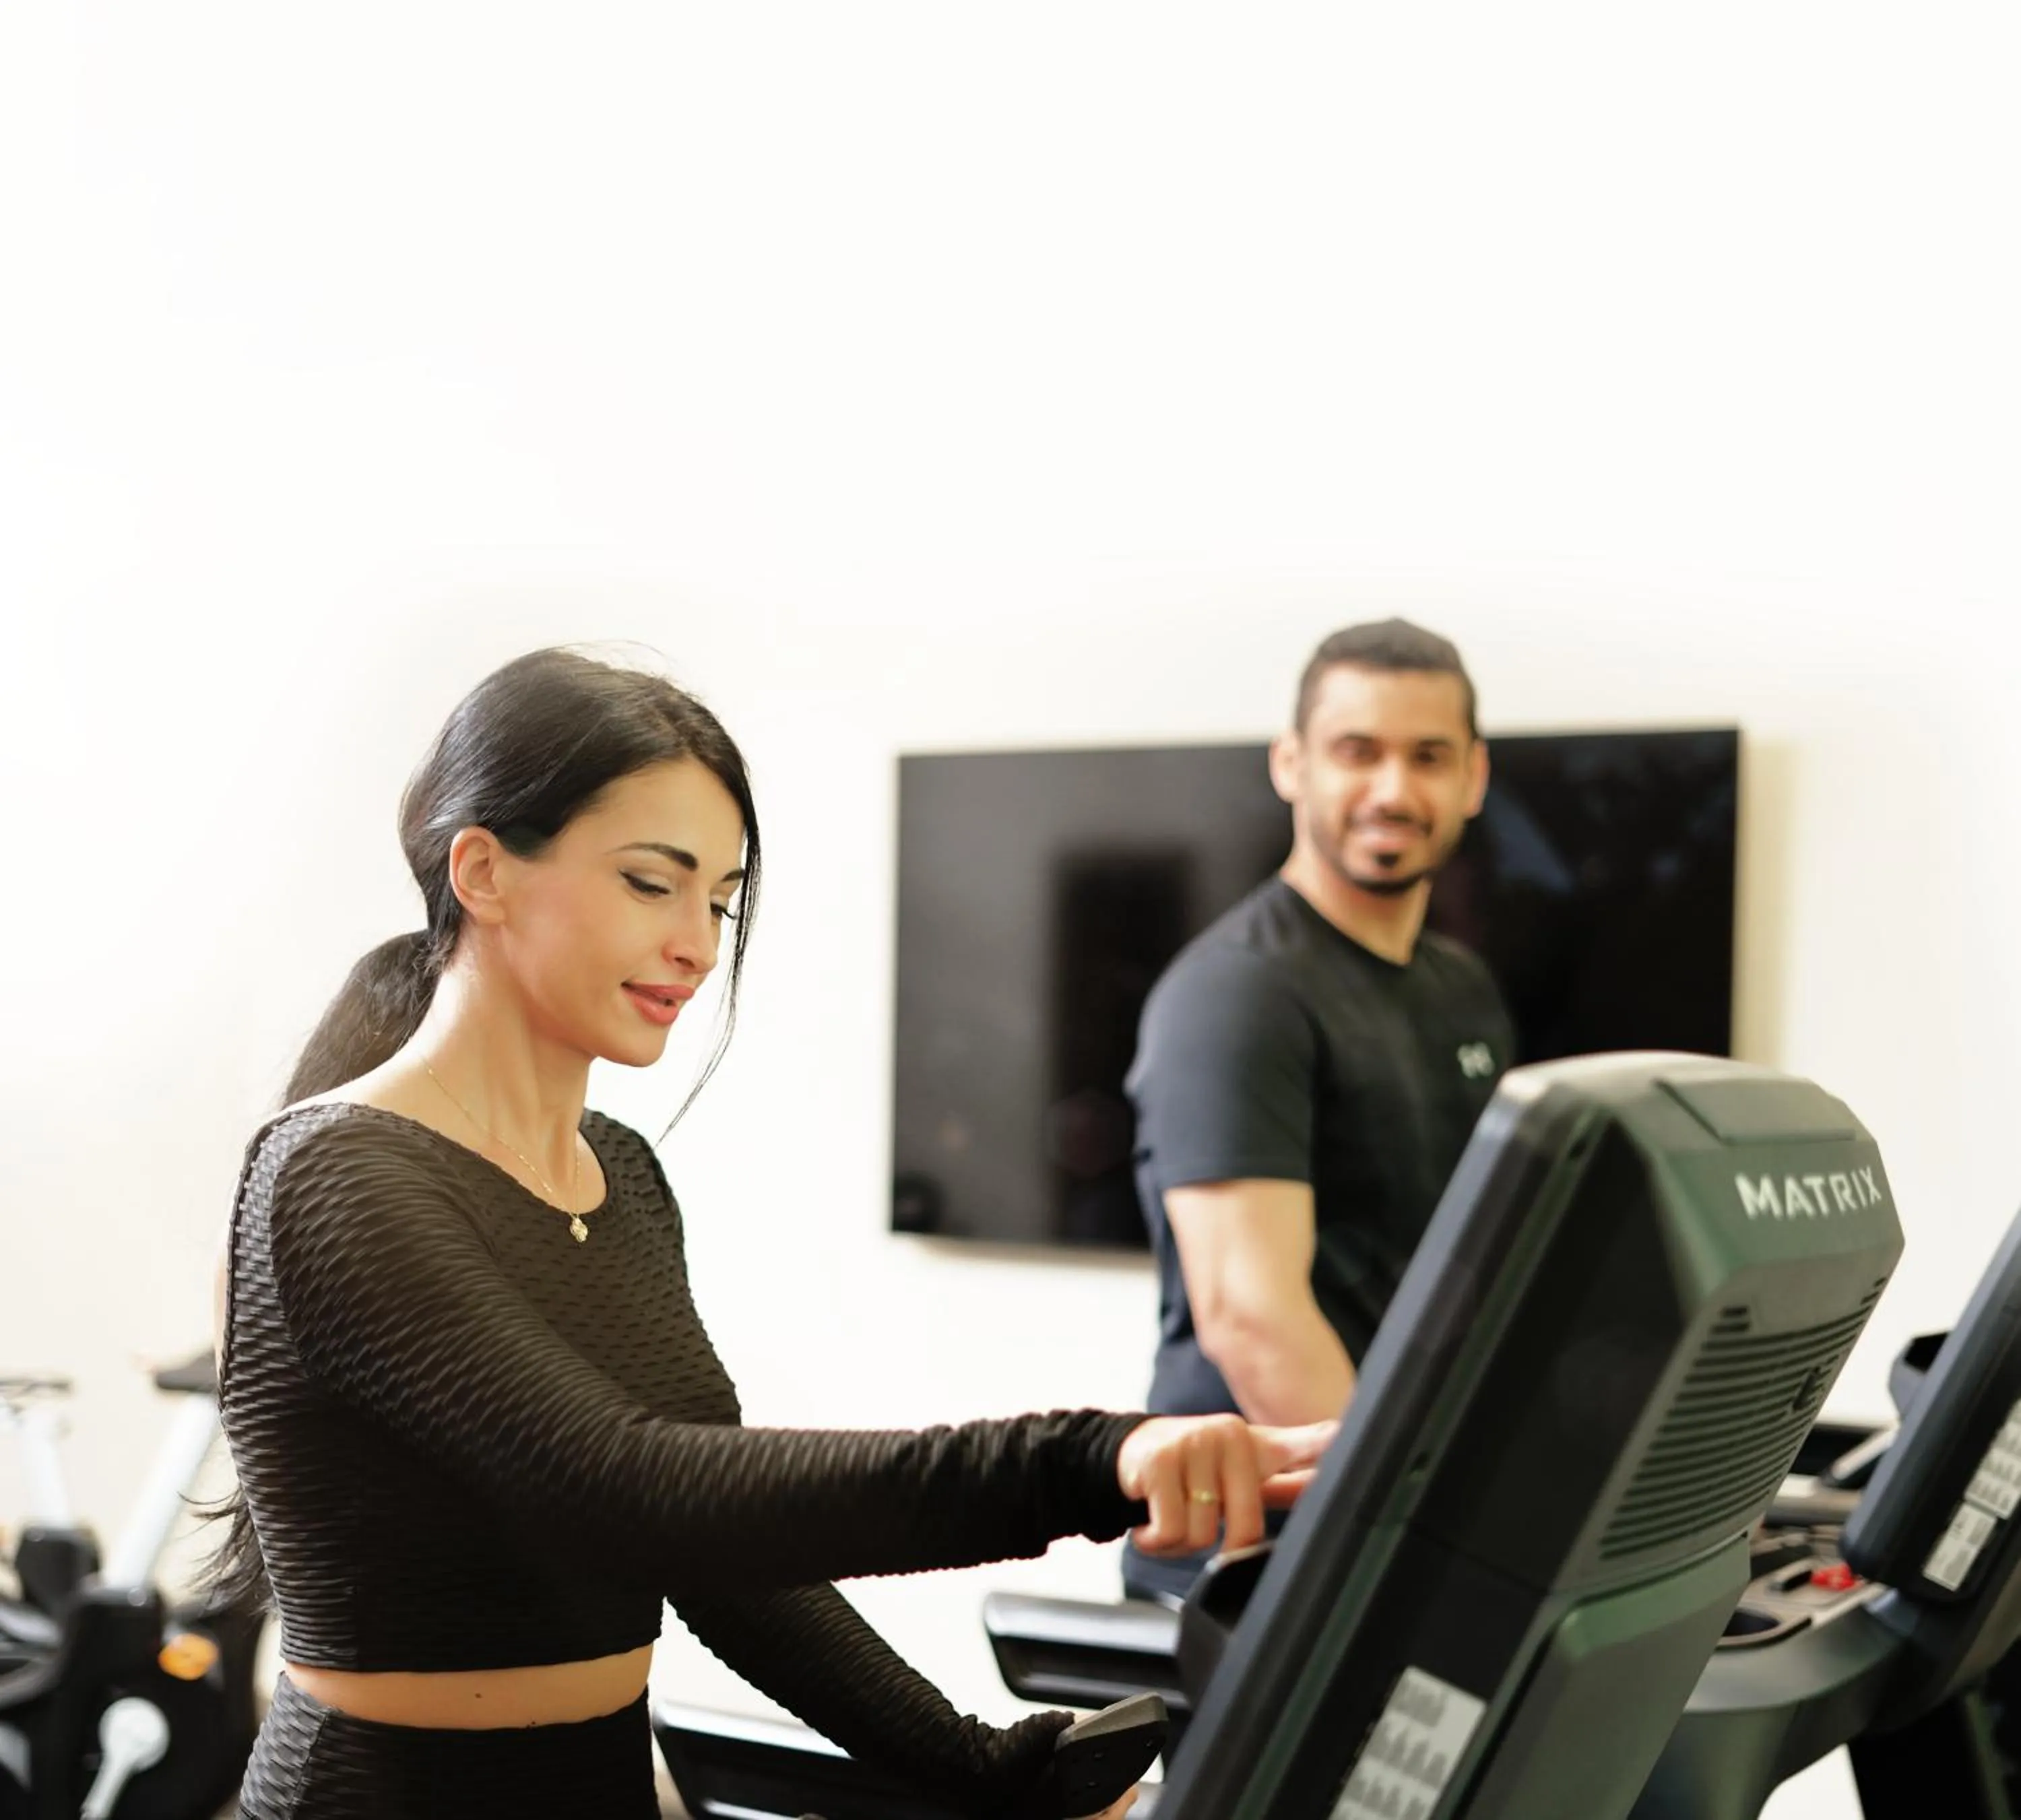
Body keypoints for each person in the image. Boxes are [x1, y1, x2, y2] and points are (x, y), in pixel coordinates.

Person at [207, 647, 1334, 1820]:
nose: (698, 942)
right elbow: (635, 1490)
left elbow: (724, 1565)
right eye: (654, 882)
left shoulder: (623, 1179)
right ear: (484, 870)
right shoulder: (335, 1174)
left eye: (722, 898)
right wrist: (1081, 1461)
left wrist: (998, 1769)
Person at [1121, 619, 1514, 1604]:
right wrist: (1404, 1535)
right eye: (1358, 750)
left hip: (1397, 1532)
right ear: (1291, 764)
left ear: (1473, 777)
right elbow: (1252, 1317)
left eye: (1428, 756)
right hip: (1264, 1561)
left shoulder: (1462, 988)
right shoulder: (1239, 994)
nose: (1393, 788)